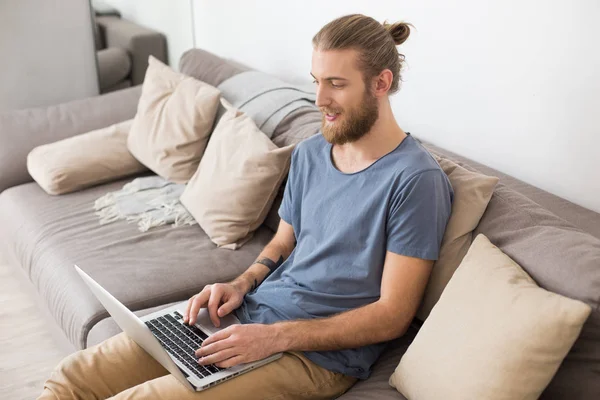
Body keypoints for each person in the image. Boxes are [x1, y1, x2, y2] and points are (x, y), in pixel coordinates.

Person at [38, 13, 453, 400]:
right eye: (316, 81)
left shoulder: (415, 181)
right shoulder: (311, 152)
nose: (319, 98)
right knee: (70, 378)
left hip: (315, 357)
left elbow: (393, 315)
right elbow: (282, 246)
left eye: (336, 84)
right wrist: (240, 284)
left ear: (380, 83)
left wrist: (277, 337)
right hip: (249, 318)